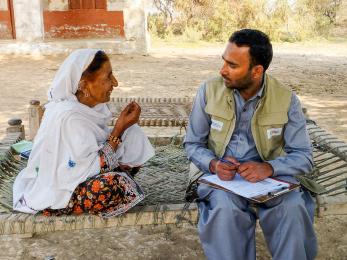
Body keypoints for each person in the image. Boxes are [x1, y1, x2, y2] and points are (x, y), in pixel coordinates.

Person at [184, 29, 317, 260]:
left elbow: (304, 156)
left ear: (257, 71)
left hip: (270, 180)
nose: (222, 70)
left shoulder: (286, 99)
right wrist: (214, 164)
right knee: (225, 210)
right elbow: (193, 143)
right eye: (224, 61)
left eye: (232, 65)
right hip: (220, 180)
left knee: (292, 208)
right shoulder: (209, 91)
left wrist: (269, 168)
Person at [13, 49, 155, 218]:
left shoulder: (89, 108)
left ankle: (117, 174)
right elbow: (93, 165)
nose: (115, 83)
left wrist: (123, 131)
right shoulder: (70, 117)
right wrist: (118, 129)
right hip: (62, 190)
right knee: (112, 185)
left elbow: (95, 151)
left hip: (82, 171)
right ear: (83, 85)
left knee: (133, 136)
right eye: (108, 77)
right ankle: (68, 205)